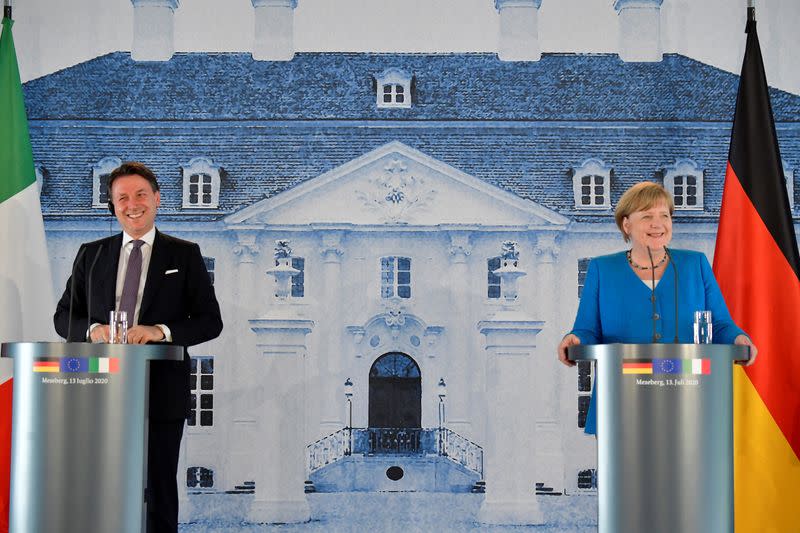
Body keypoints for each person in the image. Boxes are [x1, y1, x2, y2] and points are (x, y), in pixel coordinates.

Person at [53, 161, 223, 532]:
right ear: (113, 206)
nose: (132, 204)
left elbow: (211, 322)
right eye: (122, 198)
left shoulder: (185, 255)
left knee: (159, 487)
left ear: (157, 199)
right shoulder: (91, 254)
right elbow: (64, 317)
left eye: (140, 195)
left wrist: (160, 330)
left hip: (161, 390)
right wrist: (94, 330)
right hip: (99, 388)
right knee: (101, 486)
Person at [556, 181, 756, 435]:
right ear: (626, 224)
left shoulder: (695, 264)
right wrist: (574, 338)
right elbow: (586, 329)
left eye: (664, 216)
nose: (657, 224)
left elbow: (718, 324)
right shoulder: (601, 269)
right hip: (622, 399)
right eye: (647, 216)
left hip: (689, 395)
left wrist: (739, 338)